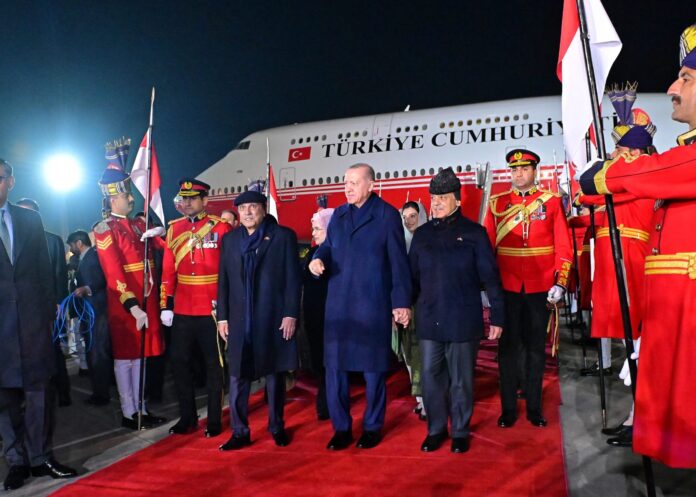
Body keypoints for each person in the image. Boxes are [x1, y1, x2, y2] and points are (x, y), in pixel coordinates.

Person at [578, 24, 696, 468]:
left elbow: (660, 170)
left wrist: (607, 174)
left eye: (685, 78)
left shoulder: (676, 162)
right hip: (672, 315)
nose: (672, 87)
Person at [309, 163, 412, 450]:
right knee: (335, 370)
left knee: (373, 371)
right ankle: (341, 428)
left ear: (370, 185)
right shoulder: (340, 216)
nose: (348, 187)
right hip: (339, 307)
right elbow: (329, 246)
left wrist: (401, 302)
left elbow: (398, 263)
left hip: (371, 305)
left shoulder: (387, 216)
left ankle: (372, 426)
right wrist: (318, 258)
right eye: (346, 182)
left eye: (355, 182)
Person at [578, 90, 658, 448]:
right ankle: (636, 418)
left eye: (619, 150)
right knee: (636, 348)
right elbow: (587, 194)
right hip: (619, 264)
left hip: (635, 267)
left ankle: (641, 419)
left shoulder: (638, 176)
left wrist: (604, 168)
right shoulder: (629, 175)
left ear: (633, 154)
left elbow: (590, 188)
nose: (612, 156)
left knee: (643, 348)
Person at [410, 168, 505, 453]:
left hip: (463, 319)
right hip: (429, 319)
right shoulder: (422, 235)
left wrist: (498, 315)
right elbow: (410, 277)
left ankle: (460, 431)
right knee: (430, 378)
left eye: (442, 198)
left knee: (461, 380)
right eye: (433, 198)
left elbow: (490, 278)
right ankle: (436, 429)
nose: (435, 203)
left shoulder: (474, 234)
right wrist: (402, 306)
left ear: (458, 201)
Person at [0, 159, 77, 490]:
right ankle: (16, 461)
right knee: (5, 401)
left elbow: (44, 274)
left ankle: (41, 457)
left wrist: (49, 317)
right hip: (0, 329)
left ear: (11, 182)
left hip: (33, 325)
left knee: (39, 396)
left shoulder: (30, 219)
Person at [484, 149, 573, 428]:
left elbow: (563, 245)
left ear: (535, 171)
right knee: (508, 349)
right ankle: (508, 409)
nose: (518, 174)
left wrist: (561, 281)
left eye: (524, 169)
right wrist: (487, 286)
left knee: (536, 349)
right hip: (507, 288)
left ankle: (534, 408)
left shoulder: (552, 202)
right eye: (514, 170)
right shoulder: (497, 204)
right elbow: (487, 249)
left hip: (539, 287)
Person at [216, 190, 301, 450]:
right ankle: (239, 431)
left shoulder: (283, 237)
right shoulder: (230, 240)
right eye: (243, 209)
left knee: (274, 374)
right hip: (241, 320)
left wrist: (290, 313)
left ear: (263, 209)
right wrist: (223, 317)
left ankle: (277, 426)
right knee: (237, 376)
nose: (248, 212)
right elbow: (224, 281)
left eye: (253, 207)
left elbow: (292, 279)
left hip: (272, 316)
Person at [93, 163, 166, 430]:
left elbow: (165, 248)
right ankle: (128, 411)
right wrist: (132, 306)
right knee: (126, 359)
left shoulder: (138, 224)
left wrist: (162, 232)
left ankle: (142, 408)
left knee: (144, 356)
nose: (132, 198)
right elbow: (113, 274)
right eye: (126, 196)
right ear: (113, 199)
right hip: (125, 305)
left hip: (147, 299)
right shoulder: (104, 229)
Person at [160, 178, 231, 438]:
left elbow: (227, 272)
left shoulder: (221, 228)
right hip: (182, 309)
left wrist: (226, 308)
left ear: (205, 201)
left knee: (215, 366)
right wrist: (166, 304)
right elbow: (168, 271)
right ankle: (187, 417)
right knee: (179, 363)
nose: (187, 202)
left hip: (211, 309)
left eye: (193, 198)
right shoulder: (173, 229)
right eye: (184, 198)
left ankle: (214, 419)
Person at [16, 197, 73, 407]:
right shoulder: (10, 239)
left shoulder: (52, 240)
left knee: (53, 349)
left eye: (27, 212)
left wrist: (58, 302)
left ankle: (62, 392)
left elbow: (59, 273)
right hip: (20, 309)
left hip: (48, 306)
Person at [67, 229, 112, 406]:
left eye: (71, 245)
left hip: (97, 312)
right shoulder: (84, 258)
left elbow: (102, 279)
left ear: (79, 243)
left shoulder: (93, 256)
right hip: (90, 311)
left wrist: (87, 288)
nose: (71, 250)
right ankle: (99, 390)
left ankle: (102, 394)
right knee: (94, 352)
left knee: (98, 354)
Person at [301, 207, 335, 420]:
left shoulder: (340, 253)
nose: (312, 233)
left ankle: (329, 404)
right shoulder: (312, 253)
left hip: (332, 318)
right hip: (314, 318)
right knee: (319, 362)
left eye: (317, 229)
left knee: (330, 364)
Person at [398, 201, 427, 419]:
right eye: (405, 217)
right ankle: (420, 400)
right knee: (408, 354)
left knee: (422, 356)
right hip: (406, 307)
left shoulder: (429, 241)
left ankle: (428, 402)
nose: (409, 221)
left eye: (413, 216)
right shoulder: (400, 244)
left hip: (424, 308)